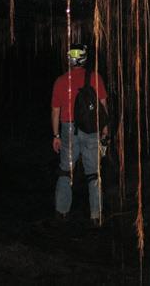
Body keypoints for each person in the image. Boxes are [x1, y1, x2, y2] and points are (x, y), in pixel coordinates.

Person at [51, 43, 108, 226]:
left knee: (65, 171)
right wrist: (104, 128)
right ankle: (96, 215)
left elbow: (55, 111)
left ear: (70, 59)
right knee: (93, 173)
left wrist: (56, 135)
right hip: (91, 129)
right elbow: (102, 105)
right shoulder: (95, 77)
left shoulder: (61, 81)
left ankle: (62, 212)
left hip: (68, 129)